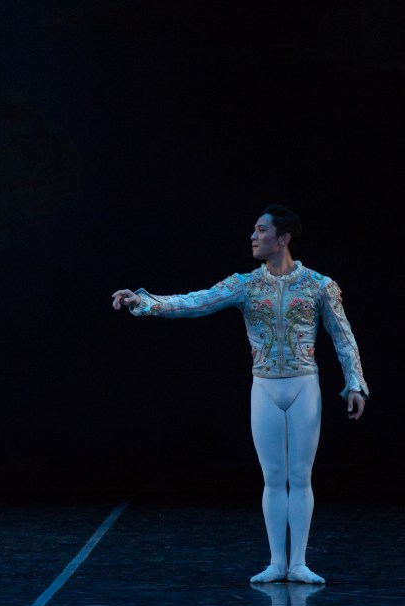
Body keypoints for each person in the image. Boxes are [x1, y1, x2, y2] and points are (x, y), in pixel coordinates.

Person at [112, 203, 367, 585]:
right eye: (254, 229)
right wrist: (144, 302)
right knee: (272, 476)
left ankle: (298, 563)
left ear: (283, 238)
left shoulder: (318, 285)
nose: (253, 236)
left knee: (300, 477)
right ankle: (277, 562)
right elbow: (193, 302)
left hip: (303, 386)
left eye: (261, 230)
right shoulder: (245, 285)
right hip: (264, 386)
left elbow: (343, 336)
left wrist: (356, 383)